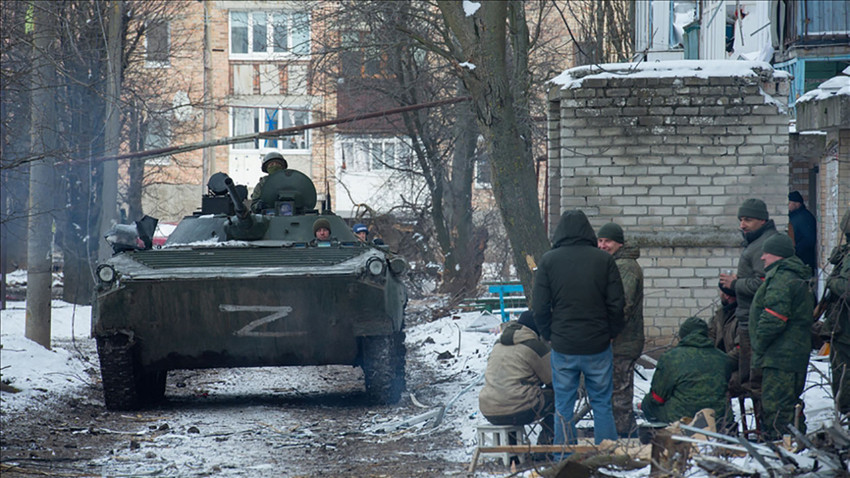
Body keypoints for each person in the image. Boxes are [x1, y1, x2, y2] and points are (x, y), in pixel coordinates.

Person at [532, 210, 625, 447]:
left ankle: (564, 456)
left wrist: (549, 335)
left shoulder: (548, 261)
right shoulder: (604, 260)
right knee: (602, 402)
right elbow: (616, 304)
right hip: (598, 344)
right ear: (588, 232)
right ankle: (606, 456)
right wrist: (612, 333)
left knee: (563, 403)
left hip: (564, 345)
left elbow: (540, 307)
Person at [749, 234, 814, 439]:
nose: (762, 258)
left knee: (777, 405)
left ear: (777, 255)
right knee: (787, 402)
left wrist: (759, 344)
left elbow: (774, 319)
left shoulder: (782, 277)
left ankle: (783, 445)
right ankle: (794, 442)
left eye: (766, 253)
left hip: (781, 356)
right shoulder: (792, 275)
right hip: (790, 353)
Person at [719, 198, 777, 395]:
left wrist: (735, 284)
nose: (742, 225)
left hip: (755, 323)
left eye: (748, 220)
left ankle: (764, 424)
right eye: (740, 220)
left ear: (762, 220)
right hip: (748, 320)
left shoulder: (764, 244)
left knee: (754, 383)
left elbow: (764, 284)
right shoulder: (756, 242)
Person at [479, 311, 555, 445]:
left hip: (488, 408)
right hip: (519, 410)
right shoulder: (534, 346)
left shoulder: (497, 345)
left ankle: (512, 451)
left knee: (512, 396)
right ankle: (546, 445)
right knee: (560, 399)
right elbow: (552, 380)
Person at [597, 222, 644, 438]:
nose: (603, 245)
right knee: (617, 391)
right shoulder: (614, 263)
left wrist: (609, 332)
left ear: (620, 243)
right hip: (619, 339)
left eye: (608, 241)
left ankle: (624, 438)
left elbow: (623, 304)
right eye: (600, 241)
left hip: (623, 341)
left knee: (620, 394)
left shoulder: (625, 266)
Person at [641, 317, 734, 425]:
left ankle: (665, 432)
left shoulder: (670, 357)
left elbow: (657, 397)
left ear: (683, 335)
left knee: (647, 403)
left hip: (680, 419)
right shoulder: (723, 358)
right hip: (717, 418)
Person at [820, 210, 850, 415]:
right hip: (842, 326)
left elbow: (846, 290)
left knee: (844, 373)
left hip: (846, 329)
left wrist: (831, 280)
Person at [787, 191, 818, 277]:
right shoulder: (796, 216)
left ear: (797, 204)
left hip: (803, 260)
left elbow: (809, 240)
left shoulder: (803, 218)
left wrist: (795, 251)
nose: (787, 205)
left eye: (789, 203)